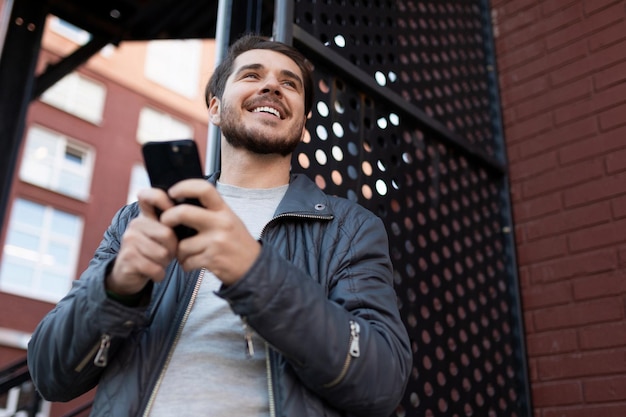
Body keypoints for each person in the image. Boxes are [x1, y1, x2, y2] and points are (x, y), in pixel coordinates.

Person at [27, 34, 412, 417]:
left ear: (304, 123)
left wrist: (254, 273)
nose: (271, 87)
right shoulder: (137, 221)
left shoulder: (349, 229)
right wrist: (116, 288)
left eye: (289, 83)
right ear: (214, 107)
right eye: (251, 75)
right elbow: (49, 375)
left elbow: (382, 383)